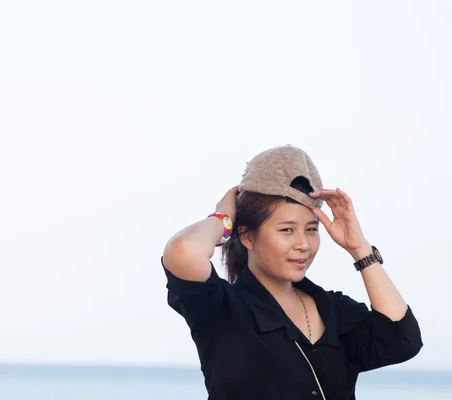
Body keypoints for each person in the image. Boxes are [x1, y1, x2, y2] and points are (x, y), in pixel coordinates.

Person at [161, 145, 423, 400]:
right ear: (247, 237)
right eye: (287, 230)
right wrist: (223, 218)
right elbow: (183, 250)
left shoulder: (333, 309)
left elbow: (401, 340)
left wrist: (359, 247)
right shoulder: (221, 309)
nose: (303, 244)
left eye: (311, 229)